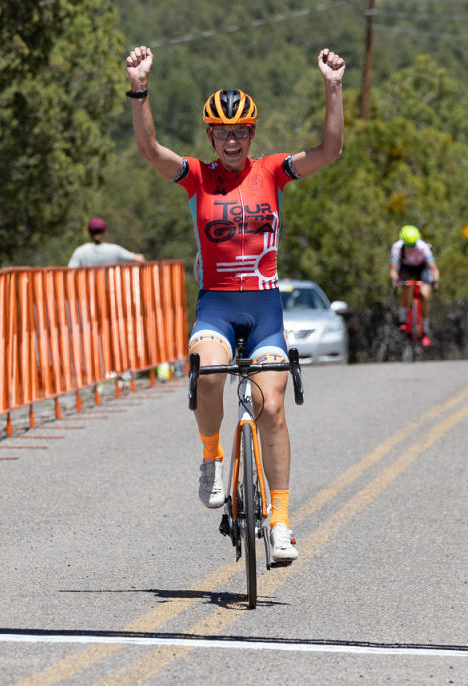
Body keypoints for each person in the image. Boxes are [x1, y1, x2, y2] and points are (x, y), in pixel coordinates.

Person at [126, 44, 345, 563]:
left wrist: (333, 87)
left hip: (265, 309)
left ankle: (281, 520)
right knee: (206, 371)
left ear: (252, 133)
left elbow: (330, 150)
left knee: (271, 408)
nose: (231, 139)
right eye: (222, 131)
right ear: (210, 135)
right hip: (217, 307)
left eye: (240, 130)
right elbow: (150, 150)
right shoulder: (198, 178)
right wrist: (139, 88)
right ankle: (211, 457)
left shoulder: (272, 172)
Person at [389, 224, 440, 346]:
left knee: (424, 295)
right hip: (407, 268)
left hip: (422, 268)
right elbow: (394, 269)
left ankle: (425, 329)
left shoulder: (423, 248)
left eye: (413, 245)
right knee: (405, 287)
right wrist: (395, 280)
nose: (411, 248)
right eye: (408, 245)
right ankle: (402, 319)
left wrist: (435, 282)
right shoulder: (397, 247)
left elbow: (434, 269)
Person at [68, 217, 145, 267]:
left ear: (89, 232)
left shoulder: (80, 251)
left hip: (87, 291)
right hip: (110, 291)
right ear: (105, 232)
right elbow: (140, 259)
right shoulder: (114, 250)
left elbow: (70, 270)